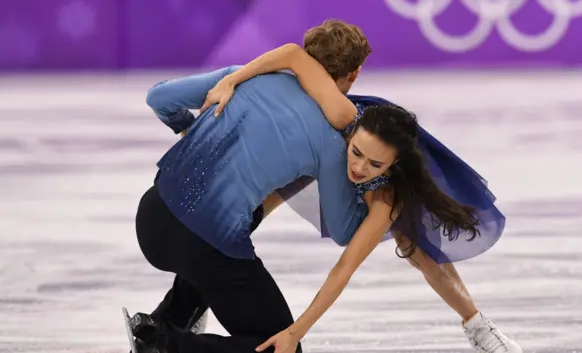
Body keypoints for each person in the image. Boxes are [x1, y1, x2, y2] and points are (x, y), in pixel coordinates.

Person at [199, 33, 522, 353]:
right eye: (357, 154)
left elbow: (345, 267)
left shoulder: (387, 194)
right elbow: (289, 55)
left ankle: (478, 326)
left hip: (376, 164)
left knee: (417, 247)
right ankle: (192, 302)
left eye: (375, 163)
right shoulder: (337, 116)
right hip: (320, 151)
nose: (359, 168)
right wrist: (232, 81)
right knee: (245, 212)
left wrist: (296, 332)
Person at [128, 21, 374, 353]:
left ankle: (168, 318)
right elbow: (344, 230)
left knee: (239, 218)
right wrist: (379, 193)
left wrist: (187, 130)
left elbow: (159, 97)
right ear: (354, 74)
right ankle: (162, 344)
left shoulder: (243, 76)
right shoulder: (331, 143)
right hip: (204, 247)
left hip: (152, 219)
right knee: (280, 349)